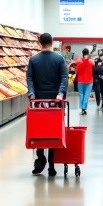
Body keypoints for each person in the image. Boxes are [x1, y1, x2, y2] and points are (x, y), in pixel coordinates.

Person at [26, 32, 68, 177]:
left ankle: (40, 156)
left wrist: (32, 94)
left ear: (39, 43)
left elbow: (29, 78)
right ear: (52, 42)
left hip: (38, 100)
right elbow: (64, 77)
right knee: (53, 131)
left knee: (39, 129)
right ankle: (51, 164)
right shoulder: (59, 59)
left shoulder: (33, 59)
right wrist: (60, 93)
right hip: (54, 101)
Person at [73, 47, 94, 114]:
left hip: (80, 81)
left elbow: (74, 68)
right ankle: (84, 109)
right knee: (86, 95)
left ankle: (82, 108)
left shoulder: (78, 61)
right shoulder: (91, 61)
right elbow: (93, 65)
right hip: (89, 81)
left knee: (81, 95)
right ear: (88, 53)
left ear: (82, 53)